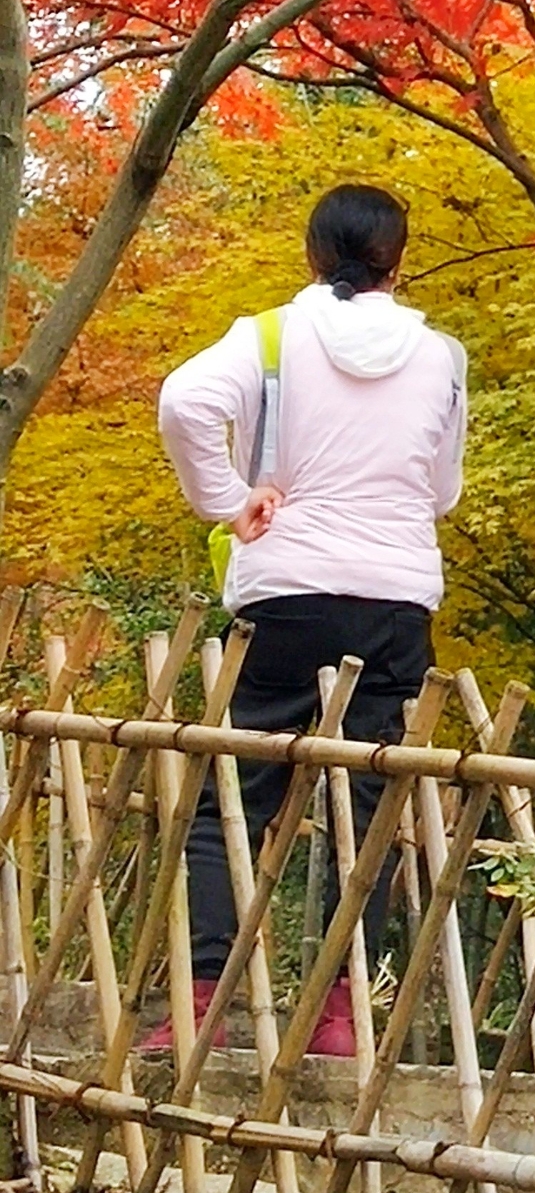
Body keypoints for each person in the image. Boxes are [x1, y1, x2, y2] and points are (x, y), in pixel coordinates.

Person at [153, 182, 466, 1056]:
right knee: (368, 803)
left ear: (312, 254)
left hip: (286, 591)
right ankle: (336, 1016)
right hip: (395, 599)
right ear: (398, 262)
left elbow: (184, 403)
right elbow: (441, 489)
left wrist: (228, 500)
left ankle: (206, 999)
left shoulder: (270, 336)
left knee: (234, 796)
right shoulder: (441, 355)